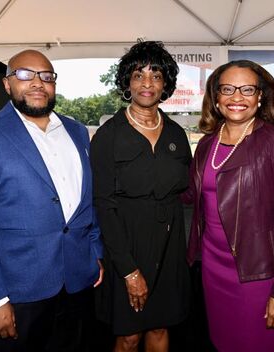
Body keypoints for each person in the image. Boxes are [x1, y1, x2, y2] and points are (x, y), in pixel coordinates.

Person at [0, 49, 104, 352]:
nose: (38, 83)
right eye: (25, 74)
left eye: (46, 76)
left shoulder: (76, 131)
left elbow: (87, 203)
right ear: (7, 84)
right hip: (17, 292)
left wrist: (95, 252)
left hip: (78, 283)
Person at [183, 60, 274, 351]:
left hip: (258, 273)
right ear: (215, 96)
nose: (236, 97)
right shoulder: (206, 145)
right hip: (213, 269)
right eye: (227, 89)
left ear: (260, 96)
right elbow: (189, 195)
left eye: (247, 89)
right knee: (223, 343)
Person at [90, 41, 191, 352]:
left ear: (166, 84)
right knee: (129, 335)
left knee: (161, 327)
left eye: (156, 76)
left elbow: (185, 190)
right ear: (127, 83)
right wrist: (129, 271)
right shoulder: (109, 135)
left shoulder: (177, 134)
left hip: (170, 247)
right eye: (138, 75)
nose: (147, 83)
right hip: (127, 247)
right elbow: (104, 205)